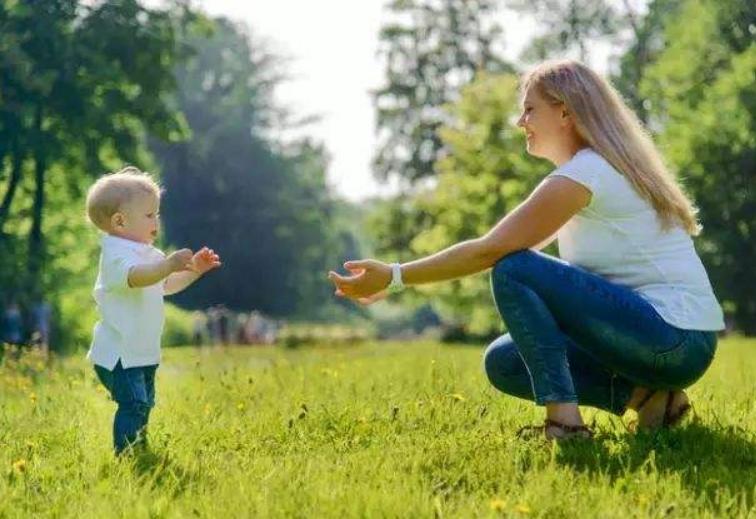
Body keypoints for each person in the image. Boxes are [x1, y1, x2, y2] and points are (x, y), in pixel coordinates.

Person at [329, 59, 724, 440]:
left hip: (673, 339)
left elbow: (492, 253)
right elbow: (499, 253)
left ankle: (565, 426)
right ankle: (652, 399)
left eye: (530, 110)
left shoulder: (586, 173)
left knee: (514, 269)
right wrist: (397, 280)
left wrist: (397, 276)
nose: (521, 122)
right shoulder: (599, 168)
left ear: (565, 113)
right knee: (506, 360)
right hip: (676, 344)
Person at [85, 166, 221, 454]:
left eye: (156, 213)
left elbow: (166, 284)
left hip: (143, 351)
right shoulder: (115, 255)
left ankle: (138, 446)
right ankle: (128, 454)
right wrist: (167, 265)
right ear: (120, 221)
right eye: (149, 215)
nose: (156, 220)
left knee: (145, 403)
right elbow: (136, 277)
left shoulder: (149, 254)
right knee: (134, 403)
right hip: (120, 354)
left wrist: (194, 270)